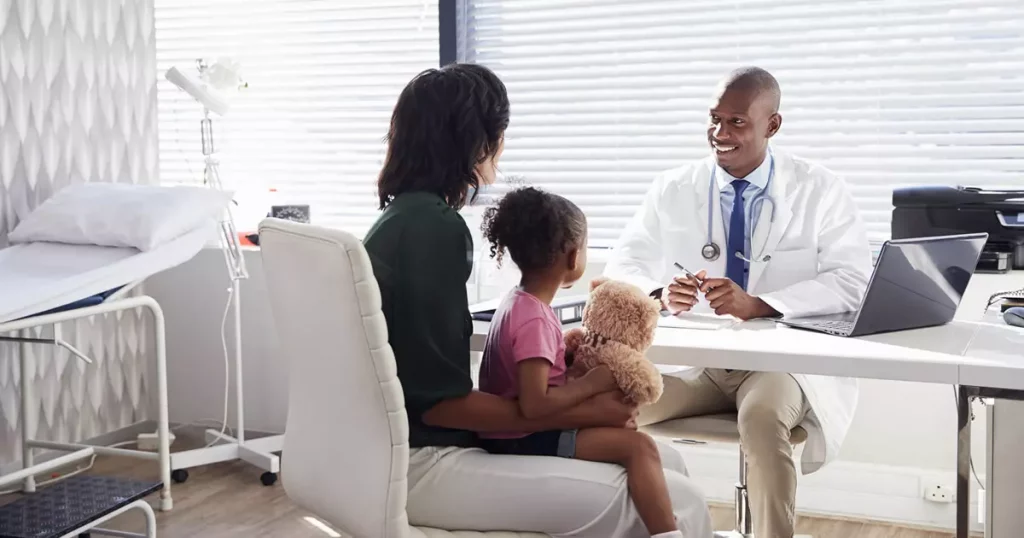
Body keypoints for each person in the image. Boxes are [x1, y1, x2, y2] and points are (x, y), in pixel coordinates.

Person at [362, 63, 713, 537]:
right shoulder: (432, 229)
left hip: (396, 449)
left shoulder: (399, 220)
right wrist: (590, 407)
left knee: (663, 459)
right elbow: (438, 405)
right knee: (682, 501)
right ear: (480, 140)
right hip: (422, 460)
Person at [605, 66, 873, 538]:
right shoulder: (673, 187)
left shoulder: (820, 188)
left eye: (736, 123)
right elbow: (624, 265)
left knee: (762, 419)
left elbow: (853, 281)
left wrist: (762, 303)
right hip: (700, 363)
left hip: (779, 364)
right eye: (714, 119)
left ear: (773, 125)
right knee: (614, 408)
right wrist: (659, 295)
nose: (719, 134)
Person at [477, 186, 682, 538]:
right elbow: (534, 403)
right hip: (522, 440)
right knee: (640, 448)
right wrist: (593, 383)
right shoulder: (535, 319)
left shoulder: (517, 303)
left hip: (519, 432)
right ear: (573, 257)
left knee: (624, 426)